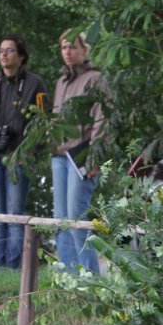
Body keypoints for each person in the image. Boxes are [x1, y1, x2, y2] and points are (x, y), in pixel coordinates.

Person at [0, 34, 49, 269]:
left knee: (15, 215)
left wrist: (29, 150)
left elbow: (44, 122)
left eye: (9, 50)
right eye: (0, 51)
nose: (3, 55)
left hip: (20, 158)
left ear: (21, 56)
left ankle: (15, 268)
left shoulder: (35, 83)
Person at [51, 31, 108, 274]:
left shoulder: (96, 78)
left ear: (85, 50)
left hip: (82, 155)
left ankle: (90, 277)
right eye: (64, 47)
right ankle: (67, 277)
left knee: (77, 218)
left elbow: (102, 120)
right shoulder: (61, 82)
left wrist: (96, 157)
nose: (68, 52)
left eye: (73, 47)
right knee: (61, 219)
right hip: (60, 155)